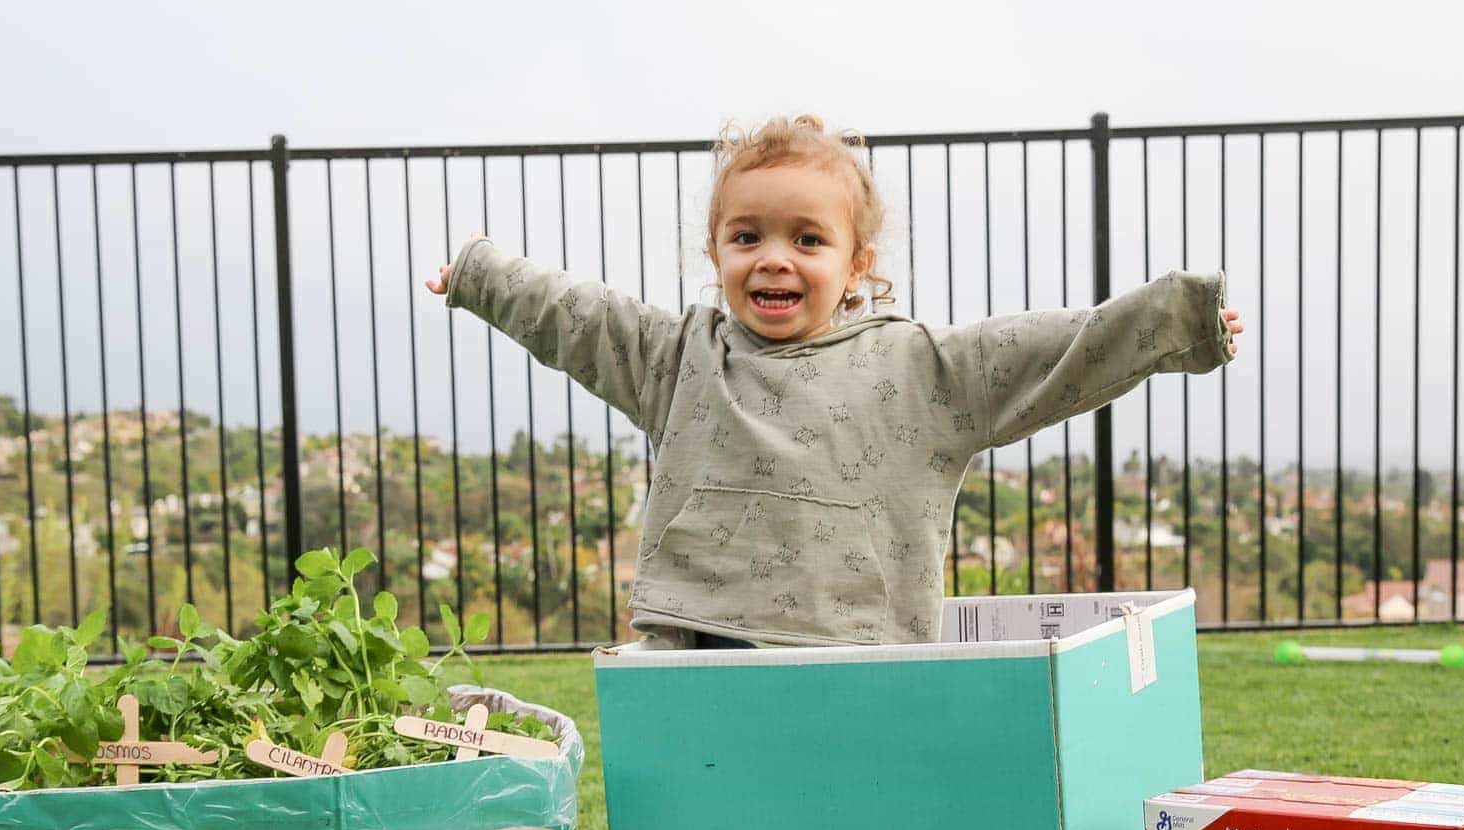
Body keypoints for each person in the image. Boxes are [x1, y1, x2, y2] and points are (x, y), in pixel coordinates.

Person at [426, 114, 1244, 649]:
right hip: (696, 645)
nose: (774, 256)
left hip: (861, 656)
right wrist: (481, 272)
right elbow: (577, 315)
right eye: (747, 236)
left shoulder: (924, 370)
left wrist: (1177, 320)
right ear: (715, 255)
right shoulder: (679, 359)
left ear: (857, 267)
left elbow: (1054, 349)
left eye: (807, 239)